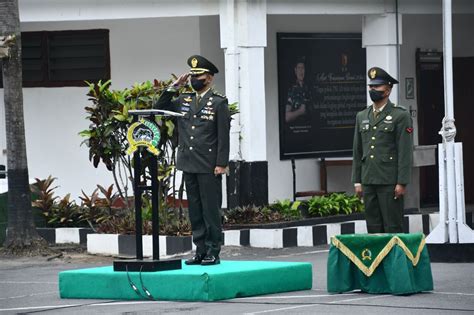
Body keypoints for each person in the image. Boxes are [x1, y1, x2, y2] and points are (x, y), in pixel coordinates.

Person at [154, 55, 230, 265]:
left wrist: (221, 164)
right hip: (188, 162)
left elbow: (223, 136)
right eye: (192, 76)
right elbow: (160, 106)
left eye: (199, 76)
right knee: (195, 210)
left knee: (211, 210)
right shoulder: (184, 100)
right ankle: (200, 250)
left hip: (208, 164)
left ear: (209, 78)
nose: (194, 79)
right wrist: (174, 86)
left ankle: (213, 251)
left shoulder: (218, 102)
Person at [351, 66, 413, 233]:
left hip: (389, 181)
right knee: (373, 226)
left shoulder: (400, 115)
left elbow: (405, 151)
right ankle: (376, 260)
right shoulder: (362, 116)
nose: (372, 90)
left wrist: (402, 182)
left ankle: (395, 259)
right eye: (371, 86)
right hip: (368, 179)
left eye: (377, 86)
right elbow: (357, 150)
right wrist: (357, 181)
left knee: (392, 225)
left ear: (388, 89)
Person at [285, 57, 312, 124]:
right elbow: (287, 117)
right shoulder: (291, 90)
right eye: (299, 68)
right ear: (295, 70)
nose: (301, 71)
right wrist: (300, 111)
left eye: (302, 68)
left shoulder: (309, 88)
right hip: (297, 128)